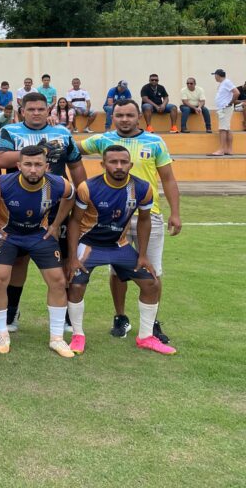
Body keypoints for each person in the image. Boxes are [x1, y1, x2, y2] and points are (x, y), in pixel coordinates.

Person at [82, 100, 181, 344]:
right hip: (114, 217)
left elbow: (168, 179)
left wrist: (175, 213)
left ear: (139, 117)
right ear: (112, 117)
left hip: (149, 215)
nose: (124, 119)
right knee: (117, 271)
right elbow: (73, 150)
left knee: (152, 271)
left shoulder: (155, 142)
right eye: (119, 115)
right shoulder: (102, 140)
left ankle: (151, 323)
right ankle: (120, 317)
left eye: (129, 115)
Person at [66, 145, 174, 356]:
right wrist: (72, 257)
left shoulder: (142, 188)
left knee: (151, 283)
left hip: (119, 245)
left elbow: (144, 220)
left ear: (130, 165)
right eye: (113, 162)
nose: (118, 166)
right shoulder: (88, 187)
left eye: (123, 162)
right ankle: (78, 335)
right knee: (76, 286)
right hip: (89, 244)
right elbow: (74, 221)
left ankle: (145, 337)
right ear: (103, 164)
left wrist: (142, 255)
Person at [0, 91, 86, 332]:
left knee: (63, 259)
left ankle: (65, 315)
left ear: (48, 111)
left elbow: (76, 166)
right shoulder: (10, 131)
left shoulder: (62, 133)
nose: (36, 113)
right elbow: (0, 160)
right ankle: (12, 311)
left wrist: (84, 195)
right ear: (22, 111)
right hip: (19, 205)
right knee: (19, 260)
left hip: (56, 207)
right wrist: (39, 151)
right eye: (31, 109)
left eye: (41, 109)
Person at [0, 145, 76, 357]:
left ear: (46, 166)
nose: (33, 169)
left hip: (39, 235)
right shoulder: (2, 182)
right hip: (7, 235)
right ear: (18, 166)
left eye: (38, 164)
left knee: (58, 281)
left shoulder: (58, 183)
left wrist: (56, 224)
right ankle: (2, 333)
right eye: (28, 164)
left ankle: (57, 338)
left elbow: (71, 196)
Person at [212, 69, 238, 155]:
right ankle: (229, 150)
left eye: (215, 75)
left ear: (217, 75)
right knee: (227, 129)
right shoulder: (223, 83)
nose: (215, 77)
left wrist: (230, 102)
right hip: (223, 109)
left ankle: (222, 150)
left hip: (225, 109)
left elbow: (236, 93)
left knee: (222, 129)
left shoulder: (227, 82)